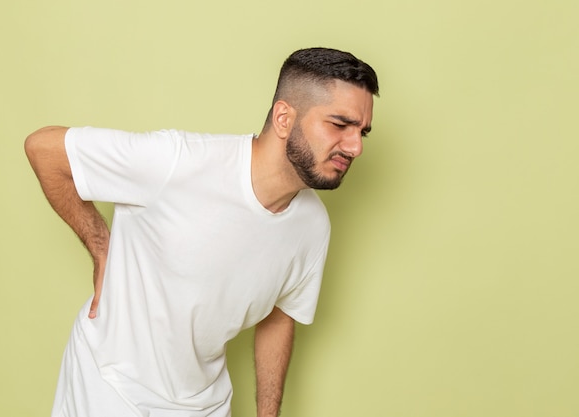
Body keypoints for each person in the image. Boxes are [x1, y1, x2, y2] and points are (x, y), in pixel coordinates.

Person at [25, 47, 379, 417]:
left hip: (203, 403)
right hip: (110, 384)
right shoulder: (177, 162)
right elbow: (43, 148)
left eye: (362, 133)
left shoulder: (312, 225)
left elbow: (279, 316)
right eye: (340, 125)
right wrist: (101, 250)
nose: (355, 147)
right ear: (284, 118)